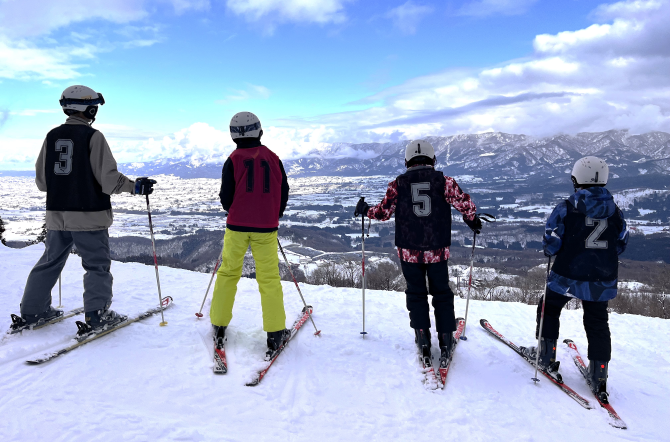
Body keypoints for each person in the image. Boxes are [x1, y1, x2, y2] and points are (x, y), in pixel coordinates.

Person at [9, 85, 156, 335]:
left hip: (56, 215)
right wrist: (136, 187)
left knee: (49, 261)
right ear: (88, 108)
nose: (95, 111)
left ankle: (33, 311)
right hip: (89, 215)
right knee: (96, 265)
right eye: (94, 106)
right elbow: (109, 180)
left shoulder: (52, 136)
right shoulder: (93, 137)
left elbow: (42, 182)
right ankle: (98, 315)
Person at [354, 139, 482, 367]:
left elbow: (383, 213)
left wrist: (365, 210)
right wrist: (472, 220)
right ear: (433, 159)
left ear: (407, 161)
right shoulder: (445, 182)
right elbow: (466, 205)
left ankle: (422, 339)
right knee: (441, 293)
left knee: (416, 293)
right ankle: (445, 340)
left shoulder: (397, 185)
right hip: (437, 248)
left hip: (408, 249)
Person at [521, 156, 628, 401]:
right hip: (602, 278)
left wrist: (553, 251)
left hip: (567, 274)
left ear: (576, 179)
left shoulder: (567, 206)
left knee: (549, 308)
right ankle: (599, 373)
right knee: (597, 321)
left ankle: (546, 355)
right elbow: (621, 242)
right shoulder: (615, 211)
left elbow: (551, 241)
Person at [211, 111, 290, 359]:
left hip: (236, 227)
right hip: (266, 228)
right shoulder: (273, 158)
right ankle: (275, 333)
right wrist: (271, 214)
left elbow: (226, 199)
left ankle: (219, 324)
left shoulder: (233, 160)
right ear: (259, 130)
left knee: (228, 273)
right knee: (269, 279)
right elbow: (283, 193)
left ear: (233, 135)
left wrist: (238, 209)